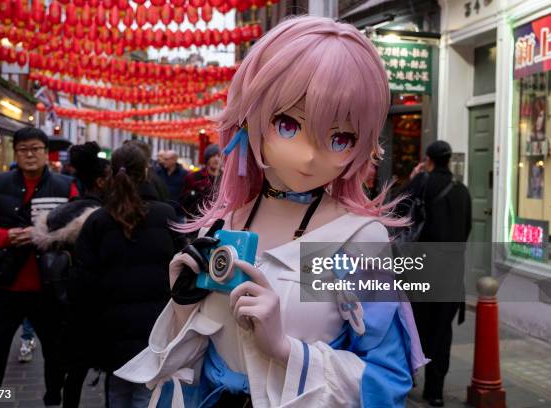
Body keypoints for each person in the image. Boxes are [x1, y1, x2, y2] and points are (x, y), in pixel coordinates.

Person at [115, 16, 425, 407]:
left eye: (340, 137)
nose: (311, 156)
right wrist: (183, 306)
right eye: (289, 125)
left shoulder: (357, 238)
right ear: (249, 118)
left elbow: (387, 377)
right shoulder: (225, 222)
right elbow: (196, 361)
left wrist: (285, 350)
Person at [70, 144, 183, 407]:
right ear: (146, 172)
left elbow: (81, 280)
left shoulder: (97, 221)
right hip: (155, 326)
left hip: (110, 328)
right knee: (146, 393)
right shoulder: (165, 214)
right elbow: (182, 267)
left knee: (117, 392)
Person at [0, 127, 78, 407]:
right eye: (23, 149)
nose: (29, 155)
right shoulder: (0, 183)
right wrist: (6, 236)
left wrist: (47, 236)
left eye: (35, 149)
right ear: (15, 153)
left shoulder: (66, 185)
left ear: (46, 153)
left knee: (55, 353)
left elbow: (79, 230)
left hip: (49, 289)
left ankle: (53, 399)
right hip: (8, 285)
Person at [31, 141, 110, 408]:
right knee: (80, 363)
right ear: (100, 181)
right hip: (87, 303)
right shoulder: (103, 218)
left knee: (54, 355)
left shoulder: (56, 215)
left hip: (51, 299)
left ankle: (52, 397)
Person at [400, 140, 472, 407]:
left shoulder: (423, 183)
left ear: (428, 160)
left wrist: (414, 178)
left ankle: (407, 380)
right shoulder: (463, 191)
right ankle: (436, 392)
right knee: (442, 333)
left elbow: (397, 210)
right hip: (452, 274)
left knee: (414, 327)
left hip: (422, 271)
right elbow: (465, 231)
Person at [180, 144, 222, 219]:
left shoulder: (225, 178)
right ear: (207, 159)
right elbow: (184, 201)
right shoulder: (193, 177)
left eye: (219, 156)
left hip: (219, 221)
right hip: (197, 220)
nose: (216, 159)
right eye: (213, 156)